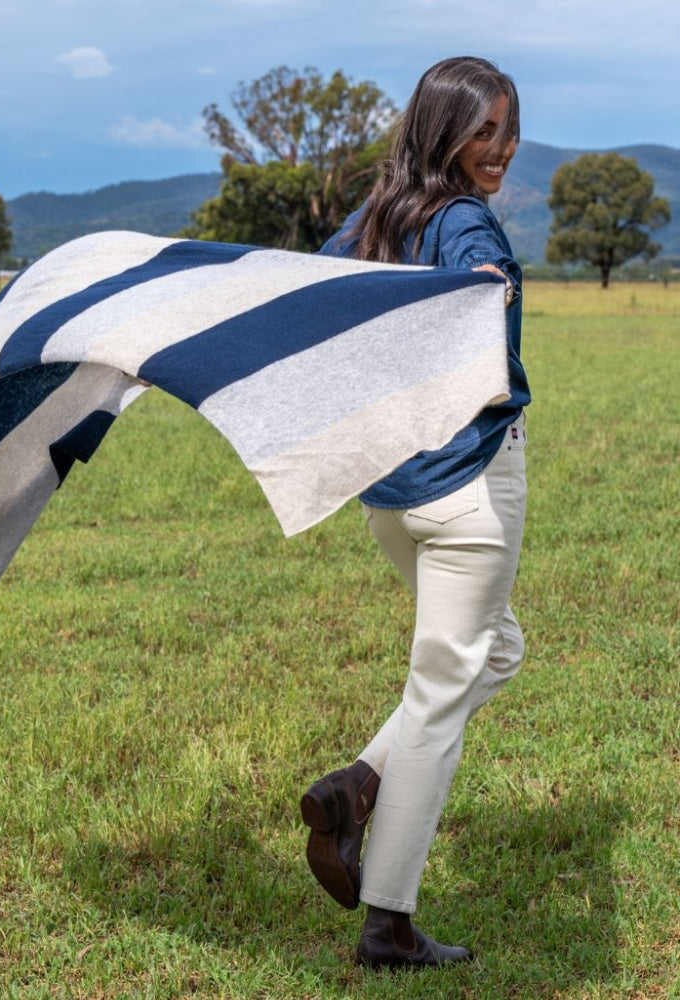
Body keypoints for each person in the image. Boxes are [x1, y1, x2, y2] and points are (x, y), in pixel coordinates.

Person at [300, 56, 531, 970]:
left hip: (391, 498)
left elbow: (307, 292)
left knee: (495, 650)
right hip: (469, 488)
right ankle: (387, 924)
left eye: (508, 131)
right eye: (484, 131)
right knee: (440, 697)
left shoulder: (370, 221)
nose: (500, 149)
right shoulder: (465, 219)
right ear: (443, 131)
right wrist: (485, 288)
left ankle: (356, 787)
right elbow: (477, 277)